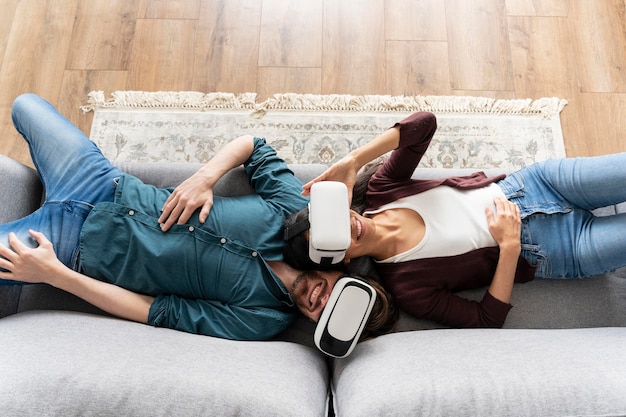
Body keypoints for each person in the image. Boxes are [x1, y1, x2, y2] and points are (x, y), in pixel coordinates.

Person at [0, 93, 396, 342]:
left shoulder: (262, 319)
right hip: (104, 183)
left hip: (69, 249)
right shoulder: (297, 214)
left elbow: (151, 311)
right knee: (26, 105)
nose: (323, 302)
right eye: (339, 294)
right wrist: (205, 179)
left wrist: (55, 275)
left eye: (331, 316)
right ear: (342, 269)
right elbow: (254, 146)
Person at [284, 110, 626, 329]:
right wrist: (509, 248)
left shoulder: (381, 189)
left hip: (536, 185)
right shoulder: (408, 288)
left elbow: (424, 124)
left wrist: (354, 161)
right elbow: (485, 319)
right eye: (330, 235)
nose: (345, 223)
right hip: (557, 250)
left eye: (332, 214)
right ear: (339, 259)